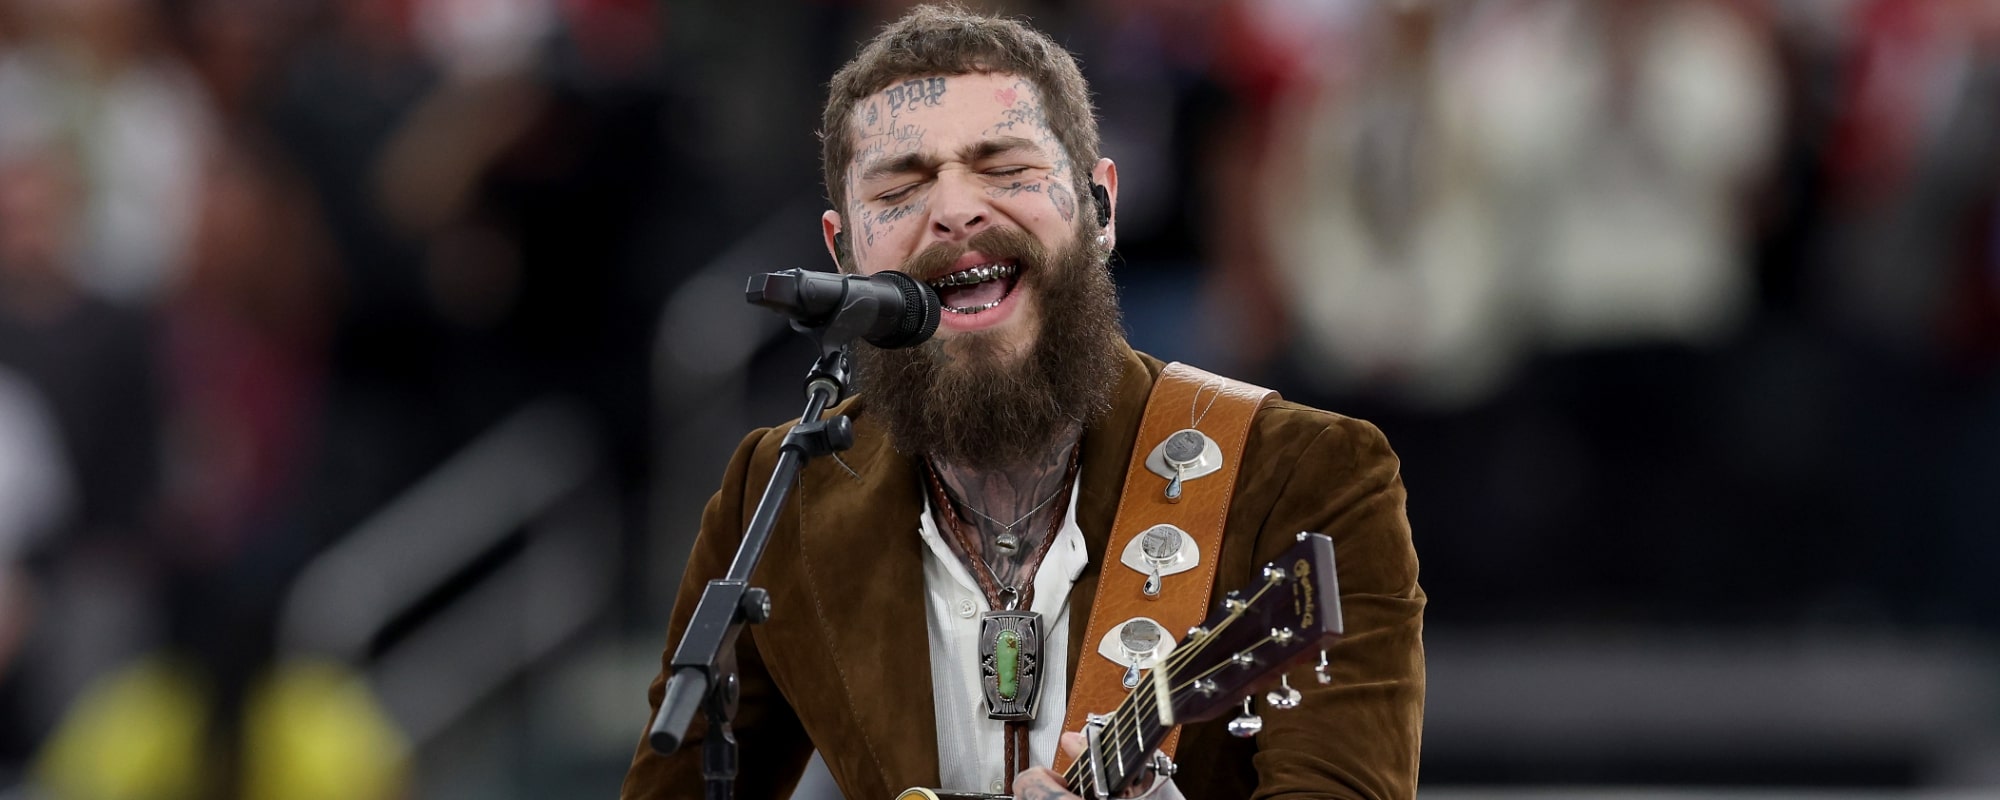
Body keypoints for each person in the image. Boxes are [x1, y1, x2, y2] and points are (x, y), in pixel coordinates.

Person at [623, 5, 1423, 799]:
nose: (956, 209)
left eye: (1005, 168)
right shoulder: (785, 491)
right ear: (844, 249)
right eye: (901, 184)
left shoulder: (1304, 475)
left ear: (1101, 208)